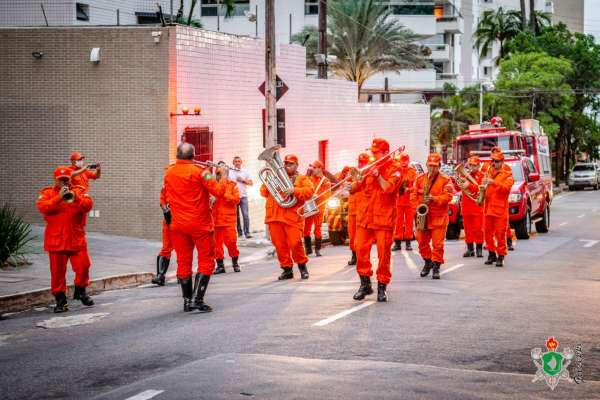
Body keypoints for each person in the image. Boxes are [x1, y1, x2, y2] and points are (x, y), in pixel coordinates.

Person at [163, 143, 226, 312]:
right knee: (206, 261)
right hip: (200, 224)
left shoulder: (169, 172)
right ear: (193, 155)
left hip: (178, 225)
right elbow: (219, 191)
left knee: (183, 261)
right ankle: (197, 299)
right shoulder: (201, 172)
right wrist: (223, 175)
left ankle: (186, 301)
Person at [36, 166, 94, 313]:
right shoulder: (47, 192)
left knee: (84, 266)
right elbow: (43, 207)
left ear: (70, 180)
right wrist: (58, 198)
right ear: (55, 179)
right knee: (57, 273)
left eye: (66, 180)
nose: (63, 182)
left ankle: (80, 290)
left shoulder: (79, 190)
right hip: (56, 241)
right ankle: (61, 300)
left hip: (76, 239)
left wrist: (75, 197)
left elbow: (88, 206)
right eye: (60, 180)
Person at [351, 138, 401, 302]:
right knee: (360, 250)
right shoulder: (368, 168)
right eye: (372, 152)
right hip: (365, 218)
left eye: (376, 152)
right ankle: (365, 284)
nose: (373, 155)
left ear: (386, 153)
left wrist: (378, 175)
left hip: (383, 219)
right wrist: (356, 177)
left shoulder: (396, 169)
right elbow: (353, 189)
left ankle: (382, 286)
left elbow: (388, 188)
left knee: (383, 254)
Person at [260, 153, 314, 280]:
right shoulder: (275, 176)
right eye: (286, 164)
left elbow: (309, 192)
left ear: (296, 165)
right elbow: (263, 192)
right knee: (279, 245)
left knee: (295, 243)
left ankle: (302, 266)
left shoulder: (302, 179)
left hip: (292, 218)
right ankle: (287, 269)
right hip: (274, 217)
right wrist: (268, 180)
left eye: (291, 164)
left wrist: (294, 190)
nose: (287, 166)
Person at [411, 153, 453, 280]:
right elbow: (413, 196)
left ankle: (436, 266)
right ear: (426, 165)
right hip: (423, 216)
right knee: (421, 241)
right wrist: (417, 208)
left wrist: (434, 199)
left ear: (439, 166)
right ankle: (428, 261)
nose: (432, 169)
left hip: (438, 217)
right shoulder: (419, 179)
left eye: (435, 166)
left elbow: (449, 196)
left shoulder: (446, 180)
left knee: (438, 244)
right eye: (430, 166)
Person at [482, 149, 514, 267]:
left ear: (502, 162)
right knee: (487, 233)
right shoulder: (489, 171)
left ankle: (501, 256)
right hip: (488, 209)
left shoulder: (507, 175)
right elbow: (483, 186)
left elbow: (506, 188)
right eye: (492, 161)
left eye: (496, 161)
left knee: (500, 235)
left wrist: (493, 182)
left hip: (500, 211)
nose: (493, 163)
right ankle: (491, 254)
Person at [213, 161, 242, 274]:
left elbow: (237, 199)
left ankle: (235, 263)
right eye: (218, 173)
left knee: (231, 242)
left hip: (228, 220)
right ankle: (220, 266)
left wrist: (223, 194)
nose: (219, 175)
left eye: (221, 173)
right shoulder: (212, 184)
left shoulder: (232, 185)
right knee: (216, 245)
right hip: (215, 220)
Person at [457, 155, 485, 258]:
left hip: (477, 207)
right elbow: (458, 187)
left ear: (478, 165)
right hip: (466, 207)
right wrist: (457, 182)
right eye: (471, 165)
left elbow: (480, 189)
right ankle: (470, 249)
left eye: (474, 165)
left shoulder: (482, 176)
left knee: (478, 229)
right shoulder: (465, 175)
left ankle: (479, 248)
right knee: (467, 230)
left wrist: (469, 185)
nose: (472, 167)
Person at [346, 153, 370, 266]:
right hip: (352, 210)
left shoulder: (369, 174)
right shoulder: (352, 171)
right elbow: (340, 181)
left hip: (363, 211)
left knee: (361, 238)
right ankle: (354, 256)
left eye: (363, 162)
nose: (361, 164)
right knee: (351, 235)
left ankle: (362, 257)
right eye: (360, 162)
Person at [303, 160, 331, 257]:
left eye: (314, 168)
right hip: (310, 206)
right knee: (306, 228)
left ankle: (318, 249)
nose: (312, 169)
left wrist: (318, 196)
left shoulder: (326, 181)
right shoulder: (309, 179)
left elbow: (328, 194)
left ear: (320, 168)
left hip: (319, 207)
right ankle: (308, 249)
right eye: (312, 167)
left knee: (317, 228)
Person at [392, 153, 417, 252]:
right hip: (398, 201)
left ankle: (408, 243)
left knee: (409, 223)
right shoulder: (396, 171)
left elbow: (416, 186)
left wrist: (408, 189)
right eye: (402, 160)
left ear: (408, 160)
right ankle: (397, 243)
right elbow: (392, 183)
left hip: (409, 202)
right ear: (400, 160)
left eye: (405, 160)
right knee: (398, 223)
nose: (404, 162)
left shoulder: (412, 171)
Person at [152, 187, 173, 286]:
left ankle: (183, 275)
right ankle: (160, 275)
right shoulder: (166, 186)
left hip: (182, 220)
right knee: (166, 248)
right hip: (168, 221)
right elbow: (162, 201)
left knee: (183, 250)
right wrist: (166, 211)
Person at [230, 156, 253, 239]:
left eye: (239, 161)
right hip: (233, 197)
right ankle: (239, 233)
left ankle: (247, 232)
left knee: (245, 215)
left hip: (243, 196)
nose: (237, 163)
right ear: (233, 163)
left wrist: (243, 180)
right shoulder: (230, 171)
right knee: (236, 216)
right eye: (235, 161)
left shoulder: (245, 172)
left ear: (241, 162)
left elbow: (251, 183)